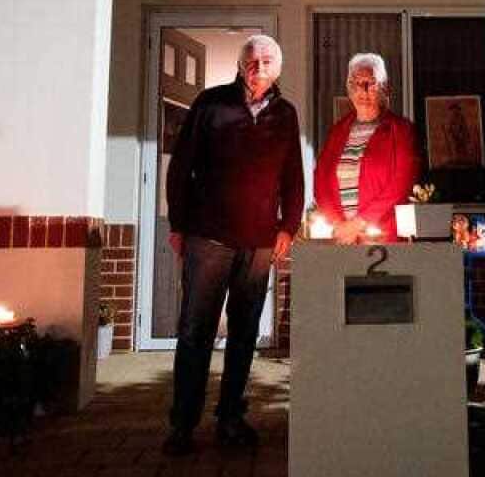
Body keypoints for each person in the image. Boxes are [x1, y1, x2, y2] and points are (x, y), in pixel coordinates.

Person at [162, 34, 303, 455]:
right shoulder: (210, 103)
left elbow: (293, 175)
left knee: (244, 334)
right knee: (195, 331)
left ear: (278, 68)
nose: (259, 66)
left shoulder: (285, 114)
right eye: (252, 59)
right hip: (209, 236)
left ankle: (230, 418)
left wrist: (288, 227)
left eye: (267, 60)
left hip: (259, 243)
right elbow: (181, 166)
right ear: (241, 65)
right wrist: (179, 224)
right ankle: (183, 424)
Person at [314, 53, 419, 244]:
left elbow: (401, 183)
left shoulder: (401, 130)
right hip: (342, 238)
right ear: (349, 89)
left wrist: (359, 223)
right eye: (356, 83)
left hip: (382, 238)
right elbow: (321, 181)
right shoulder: (338, 131)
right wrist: (339, 224)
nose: (363, 91)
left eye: (370, 83)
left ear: (384, 87)